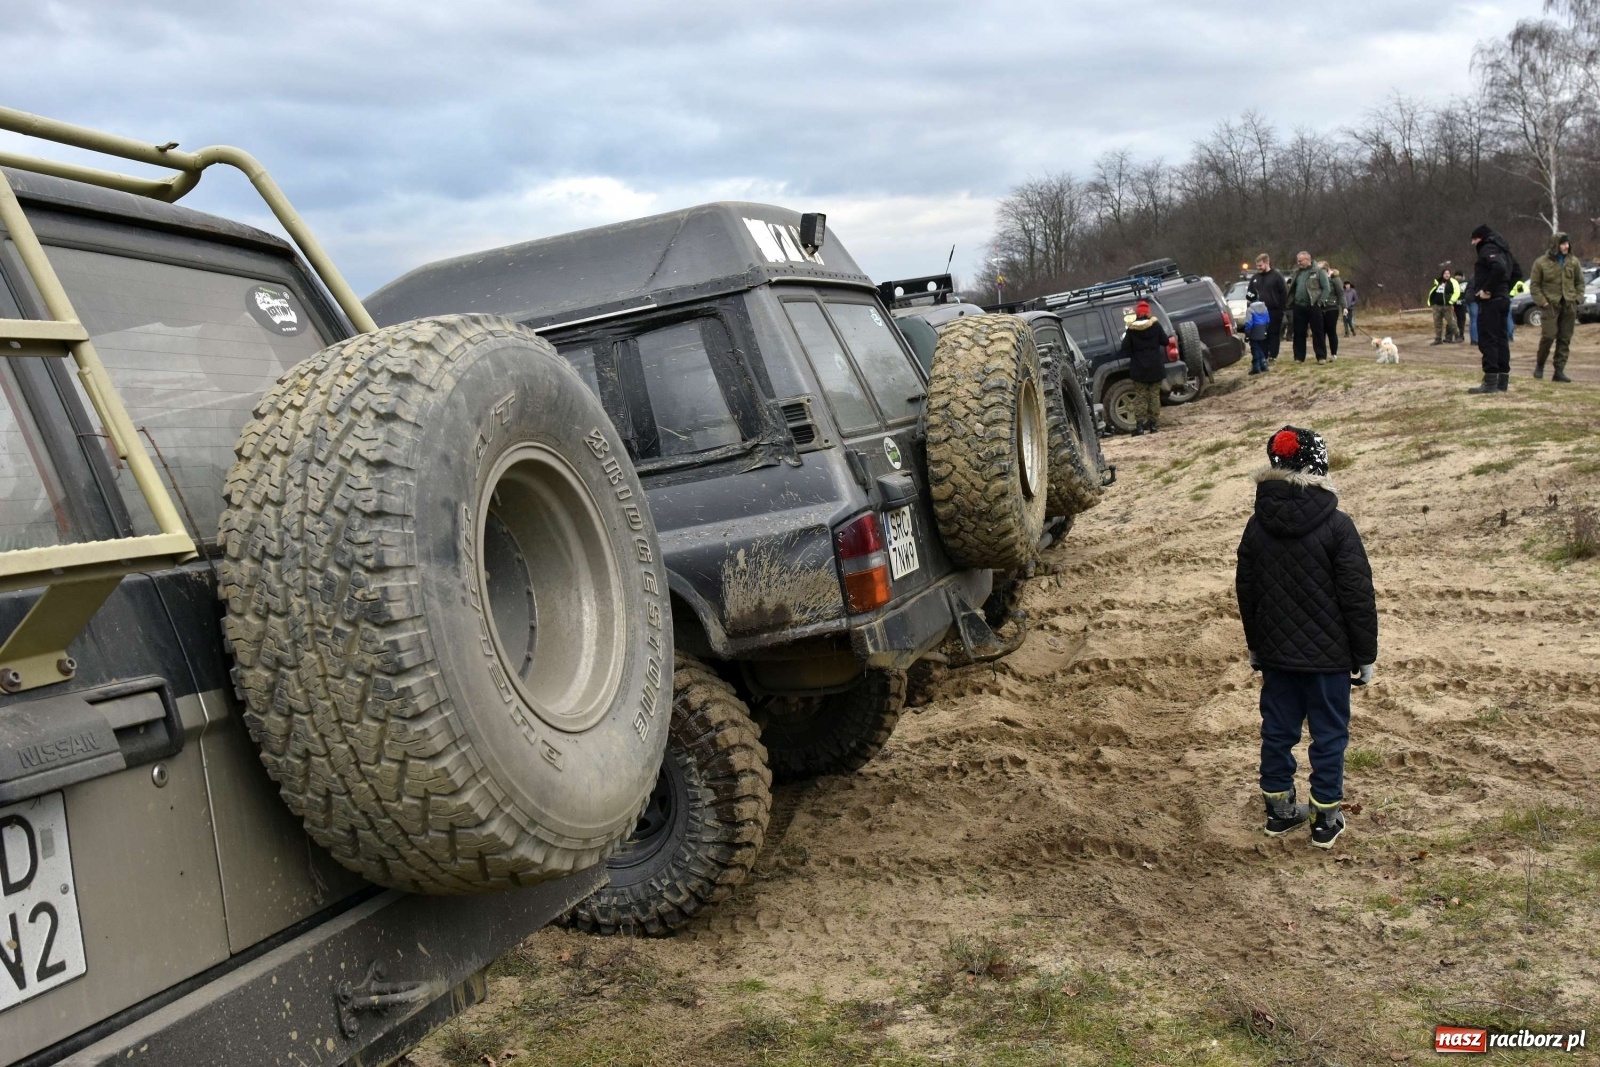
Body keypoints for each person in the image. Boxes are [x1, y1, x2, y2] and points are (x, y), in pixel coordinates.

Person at [1236, 426, 1377, 849]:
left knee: (1277, 732)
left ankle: (1279, 812)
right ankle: (1325, 820)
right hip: (1329, 662)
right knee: (1329, 735)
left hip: (1277, 658)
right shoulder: (1337, 526)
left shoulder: (1256, 527)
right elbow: (1357, 596)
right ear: (1320, 467)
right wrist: (1365, 655)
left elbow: (1248, 591)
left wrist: (1257, 645)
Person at [1467, 224, 1518, 394]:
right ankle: (1502, 381)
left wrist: (1487, 290)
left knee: (1488, 339)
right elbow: (1517, 272)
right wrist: (1505, 290)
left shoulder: (1488, 248)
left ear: (1480, 238)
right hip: (1503, 299)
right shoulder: (1505, 250)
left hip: (1492, 301)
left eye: (1474, 240)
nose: (1473, 244)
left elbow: (1499, 268)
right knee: (1502, 339)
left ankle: (1490, 381)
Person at [1528, 231, 1583, 382]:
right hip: (1550, 305)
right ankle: (1540, 365)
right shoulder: (1541, 263)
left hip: (1569, 305)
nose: (1566, 246)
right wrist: (1543, 302)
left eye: (1567, 243)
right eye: (1563, 243)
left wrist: (1577, 299)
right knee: (1548, 336)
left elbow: (1580, 282)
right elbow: (1534, 286)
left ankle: (1559, 371)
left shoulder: (1573, 262)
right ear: (1555, 246)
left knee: (1565, 338)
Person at [1120, 299, 1169, 435]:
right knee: (1154, 396)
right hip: (1155, 367)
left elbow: (1124, 347)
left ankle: (1140, 427)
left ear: (1138, 313)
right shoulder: (1156, 325)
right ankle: (1153, 426)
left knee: (1141, 397)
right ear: (1148, 313)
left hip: (1139, 368)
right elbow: (1165, 341)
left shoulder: (1131, 329)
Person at [1288, 251, 1330, 362]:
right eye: (1298, 261)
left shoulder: (1318, 271)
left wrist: (1320, 302)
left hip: (1313, 306)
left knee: (1317, 332)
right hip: (1299, 306)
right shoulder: (1297, 273)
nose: (1299, 263)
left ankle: (1321, 356)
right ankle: (1299, 357)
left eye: (1300, 261)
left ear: (1308, 259)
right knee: (1298, 332)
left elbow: (1326, 288)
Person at [1247, 253, 1288, 361]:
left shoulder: (1277, 276)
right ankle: (1263, 355)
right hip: (1259, 312)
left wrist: (1281, 309)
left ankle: (1273, 355)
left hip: (1274, 311)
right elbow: (1250, 294)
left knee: (1273, 333)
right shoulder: (1255, 278)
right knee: (1261, 334)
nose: (1258, 268)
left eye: (1260, 265)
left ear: (1267, 263)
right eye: (1257, 266)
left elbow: (1284, 293)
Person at [1427, 268, 1462, 345]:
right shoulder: (1438, 281)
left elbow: (1457, 292)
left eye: (1448, 273)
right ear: (1442, 274)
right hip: (1436, 306)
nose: (1447, 275)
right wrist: (1431, 302)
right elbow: (1433, 291)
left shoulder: (1453, 282)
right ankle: (1438, 339)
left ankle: (1458, 336)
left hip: (1447, 306)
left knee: (1451, 322)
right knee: (1437, 323)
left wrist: (1451, 301)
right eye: (1445, 273)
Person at [1319, 264, 1342, 358]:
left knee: (1331, 331)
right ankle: (1322, 354)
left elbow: (1341, 293)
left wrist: (1344, 307)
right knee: (1321, 332)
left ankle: (1334, 353)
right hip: (1321, 308)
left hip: (1332, 308)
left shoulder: (1335, 279)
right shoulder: (1318, 280)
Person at [1244, 298, 1271, 375]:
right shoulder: (1264, 307)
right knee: (1260, 347)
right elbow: (1268, 320)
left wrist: (1247, 334)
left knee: (1255, 348)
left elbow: (1249, 323)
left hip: (1254, 330)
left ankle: (1257, 367)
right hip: (1263, 329)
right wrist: (1265, 330)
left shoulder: (1250, 310)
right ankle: (1264, 365)